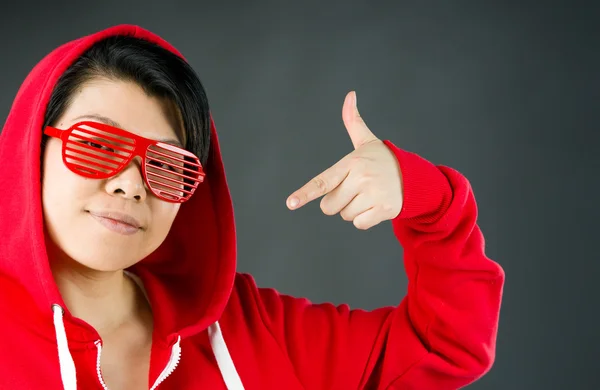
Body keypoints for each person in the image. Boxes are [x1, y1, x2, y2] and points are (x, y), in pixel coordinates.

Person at [0, 24, 505, 390]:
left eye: (168, 166)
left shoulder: (247, 327)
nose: (131, 185)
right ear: (30, 150)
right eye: (97, 144)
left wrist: (426, 198)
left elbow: (446, 346)